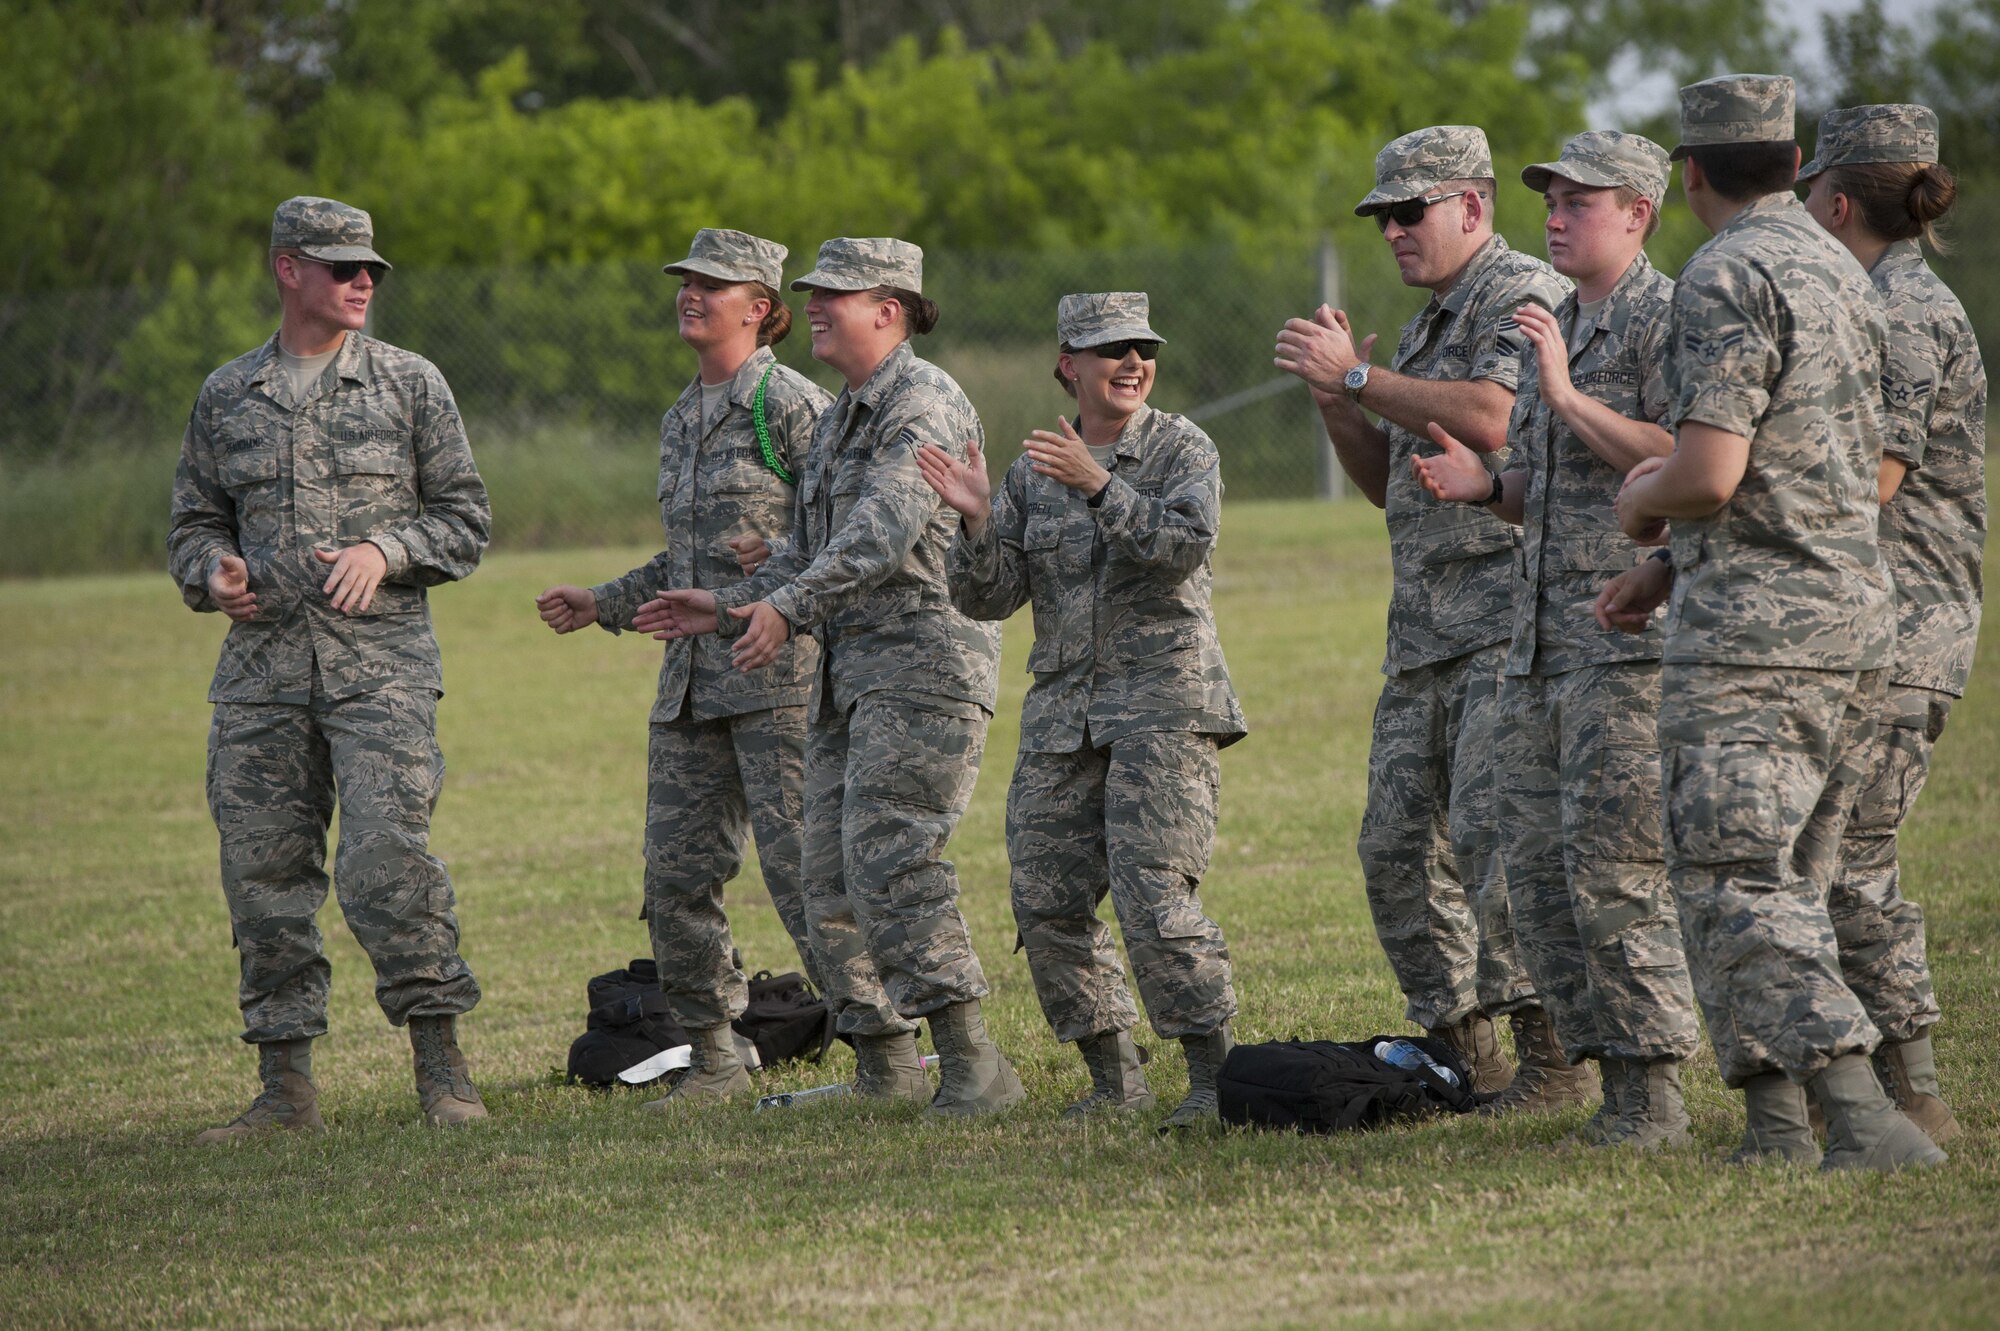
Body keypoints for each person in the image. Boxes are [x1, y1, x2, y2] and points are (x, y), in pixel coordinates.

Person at [1598, 74, 1943, 1171]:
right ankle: (1776, 1123)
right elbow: (1826, 469)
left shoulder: (1728, 271)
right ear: (1795, 165)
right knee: (1787, 875)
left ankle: (1858, 1115)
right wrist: (1668, 570)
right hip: (1850, 621)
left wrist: (1640, 500)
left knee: (1735, 873)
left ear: (1688, 171)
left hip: (1756, 637)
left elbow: (1708, 471)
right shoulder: (1843, 272)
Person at [643, 238, 1024, 1116]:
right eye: (812, 293)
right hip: (849, 675)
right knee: (828, 881)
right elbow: (814, 552)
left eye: (835, 295)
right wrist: (736, 603)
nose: (812, 306)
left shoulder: (920, 401)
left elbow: (879, 537)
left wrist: (785, 606)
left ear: (889, 310)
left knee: (893, 857)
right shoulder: (850, 412)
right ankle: (886, 1070)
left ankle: (973, 1064)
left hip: (922, 667)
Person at [168, 196, 492, 1140]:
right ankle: (285, 1091)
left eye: (372, 270)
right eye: (343, 266)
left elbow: (466, 520)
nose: (362, 282)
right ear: (287, 268)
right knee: (262, 876)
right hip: (261, 677)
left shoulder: (409, 384)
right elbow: (194, 521)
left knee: (390, 862)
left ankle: (442, 1071)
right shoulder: (228, 395)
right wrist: (210, 571)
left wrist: (386, 550)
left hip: (380, 672)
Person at [1274, 125, 1577, 1102]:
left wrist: (1360, 376)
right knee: (1394, 849)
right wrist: (1335, 404)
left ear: (1472, 208)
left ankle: (1553, 1064)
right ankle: (1469, 1057)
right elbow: (1385, 485)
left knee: (1496, 848)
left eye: (1410, 212)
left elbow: (1492, 419)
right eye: (1382, 218)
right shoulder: (1430, 319)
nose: (1394, 231)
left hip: (1504, 630)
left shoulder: (1517, 291)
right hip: (1423, 642)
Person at [1413, 132, 1701, 1141]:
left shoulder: (1667, 318)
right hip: (1536, 642)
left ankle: (1653, 1087)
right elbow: (1547, 486)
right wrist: (1489, 487)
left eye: (1579, 200)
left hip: (1623, 643)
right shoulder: (1556, 321)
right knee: (1536, 873)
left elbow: (1682, 458)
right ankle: (1599, 1078)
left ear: (1637, 214)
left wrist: (1570, 396)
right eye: (1549, 197)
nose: (1555, 214)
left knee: (1615, 867)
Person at [917, 292, 1247, 1128]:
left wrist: (1102, 487)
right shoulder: (1035, 468)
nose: (1132, 362)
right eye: (1110, 349)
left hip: (1163, 708)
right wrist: (980, 519)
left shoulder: (1181, 448)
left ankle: (1212, 1080)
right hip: (1065, 716)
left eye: (1143, 346)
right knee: (1046, 902)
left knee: (1153, 897)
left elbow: (1181, 548)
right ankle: (1115, 1077)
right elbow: (988, 596)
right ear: (1068, 364)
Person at [534, 229, 832, 1104]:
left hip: (777, 677)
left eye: (714, 282)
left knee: (809, 876)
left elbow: (843, 536)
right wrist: (603, 603)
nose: (691, 293)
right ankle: (714, 1053)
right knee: (674, 879)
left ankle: (888, 1039)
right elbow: (685, 562)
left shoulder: (793, 407)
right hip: (692, 687)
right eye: (685, 280)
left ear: (763, 308)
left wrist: (775, 554)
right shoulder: (682, 416)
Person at [1798, 104, 1983, 1147]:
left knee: (1853, 861)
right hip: (1868, 625)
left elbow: (1875, 477)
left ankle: (1914, 1092)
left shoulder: (1901, 311)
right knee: (1832, 855)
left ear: (1835, 202)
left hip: (1904, 630)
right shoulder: (1876, 297)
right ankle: (1877, 1081)